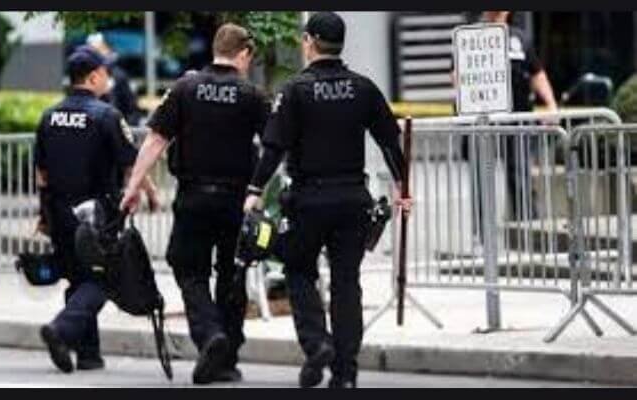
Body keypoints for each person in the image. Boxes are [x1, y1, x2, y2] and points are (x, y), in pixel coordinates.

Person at [242, 12, 413, 388]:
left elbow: (273, 149)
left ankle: (317, 343)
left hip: (308, 199)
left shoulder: (294, 90)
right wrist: (403, 187)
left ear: (309, 42)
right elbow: (390, 142)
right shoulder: (363, 88)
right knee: (347, 283)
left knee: (299, 270)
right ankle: (345, 373)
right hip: (353, 199)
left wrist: (254, 191)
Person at [120, 23, 269, 385]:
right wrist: (260, 191)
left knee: (189, 270)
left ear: (216, 49)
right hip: (237, 201)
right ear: (243, 54)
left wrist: (133, 187)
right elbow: (273, 148)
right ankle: (226, 358)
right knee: (233, 276)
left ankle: (209, 334)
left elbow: (155, 141)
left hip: (194, 198)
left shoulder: (184, 89)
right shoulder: (253, 95)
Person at [35, 45, 159, 374]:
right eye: (105, 73)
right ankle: (61, 329)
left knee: (78, 278)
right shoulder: (106, 115)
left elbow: (42, 174)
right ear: (92, 77)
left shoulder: (49, 116)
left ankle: (88, 355)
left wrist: (43, 215)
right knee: (104, 279)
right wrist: (150, 193)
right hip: (97, 214)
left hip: (60, 212)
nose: (108, 79)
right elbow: (131, 164)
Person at [483, 11, 558, 221]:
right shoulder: (473, 38)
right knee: (482, 178)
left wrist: (551, 104)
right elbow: (457, 75)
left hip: (518, 118)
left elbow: (537, 73)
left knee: (519, 172)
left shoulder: (520, 39)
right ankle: (482, 231)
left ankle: (527, 223)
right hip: (484, 122)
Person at [87, 33, 144, 126]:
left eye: (99, 50)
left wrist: (125, 129)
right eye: (92, 51)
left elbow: (132, 109)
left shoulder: (118, 76)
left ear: (107, 49)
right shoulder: (86, 77)